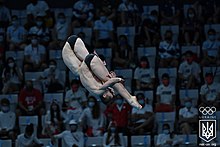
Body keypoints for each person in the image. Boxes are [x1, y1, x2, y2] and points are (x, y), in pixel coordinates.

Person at [62, 35, 142, 109]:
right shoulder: (94, 84)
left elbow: (110, 82)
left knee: (110, 80)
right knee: (107, 78)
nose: (114, 93)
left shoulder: (98, 91)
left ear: (104, 95)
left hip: (72, 51)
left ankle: (130, 99)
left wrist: (116, 79)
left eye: (111, 95)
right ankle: (130, 98)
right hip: (75, 50)